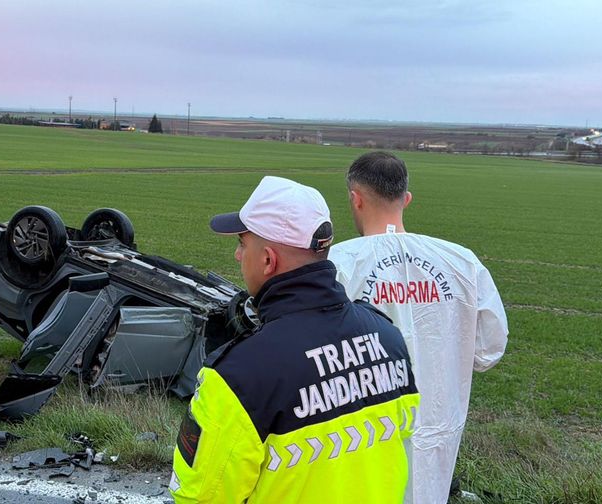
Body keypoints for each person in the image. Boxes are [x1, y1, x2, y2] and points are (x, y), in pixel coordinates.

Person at [169, 176, 421, 503]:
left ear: (268, 259)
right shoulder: (388, 338)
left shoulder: (238, 377)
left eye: (243, 244)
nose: (236, 254)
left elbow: (201, 496)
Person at [329, 151, 509, 504]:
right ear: (406, 199)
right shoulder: (462, 262)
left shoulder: (337, 263)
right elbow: (489, 349)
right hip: (437, 424)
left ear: (355, 198)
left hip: (359, 431)